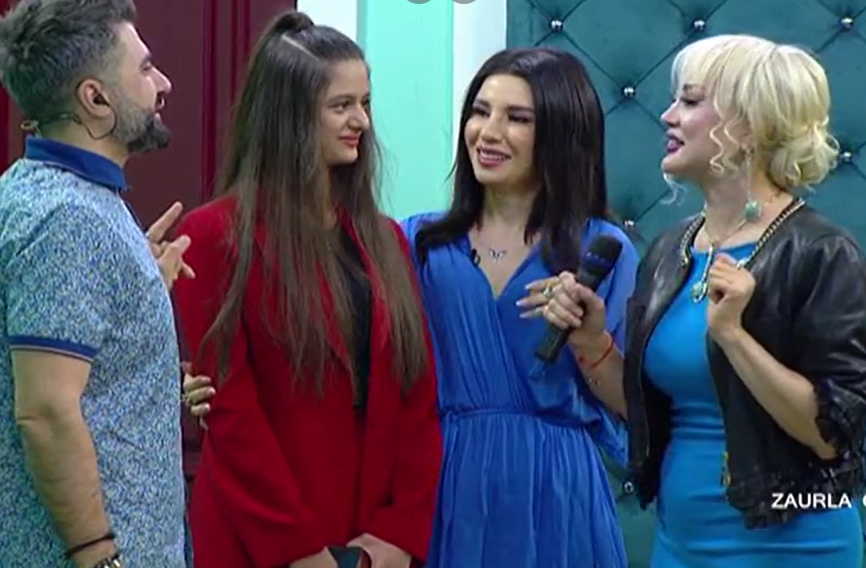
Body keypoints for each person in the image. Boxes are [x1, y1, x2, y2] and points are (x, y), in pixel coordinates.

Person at [184, 46, 637, 567]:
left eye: (517, 118)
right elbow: (370, 367)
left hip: (557, 489)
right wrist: (205, 385)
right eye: (480, 111)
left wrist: (590, 341)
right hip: (447, 486)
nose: (488, 132)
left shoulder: (602, 251)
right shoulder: (416, 242)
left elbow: (634, 408)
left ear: (560, 134)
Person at [539, 34, 866, 567]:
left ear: (750, 126)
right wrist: (592, 342)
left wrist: (734, 336)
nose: (668, 116)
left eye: (690, 101)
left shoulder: (820, 252)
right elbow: (647, 411)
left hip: (793, 545)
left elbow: (833, 436)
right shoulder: (672, 249)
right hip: (680, 544)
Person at [172, 11, 442, 568]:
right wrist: (298, 550)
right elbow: (233, 413)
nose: (362, 121)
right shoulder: (214, 236)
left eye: (365, 102)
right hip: (258, 538)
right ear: (291, 117)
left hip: (371, 541)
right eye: (341, 106)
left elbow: (418, 398)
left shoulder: (385, 239)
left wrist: (398, 534)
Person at [0, 1, 194, 567]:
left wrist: (138, 288)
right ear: (95, 98)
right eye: (145, 68)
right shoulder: (70, 219)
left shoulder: (26, 191)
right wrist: (100, 557)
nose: (163, 84)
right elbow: (46, 413)